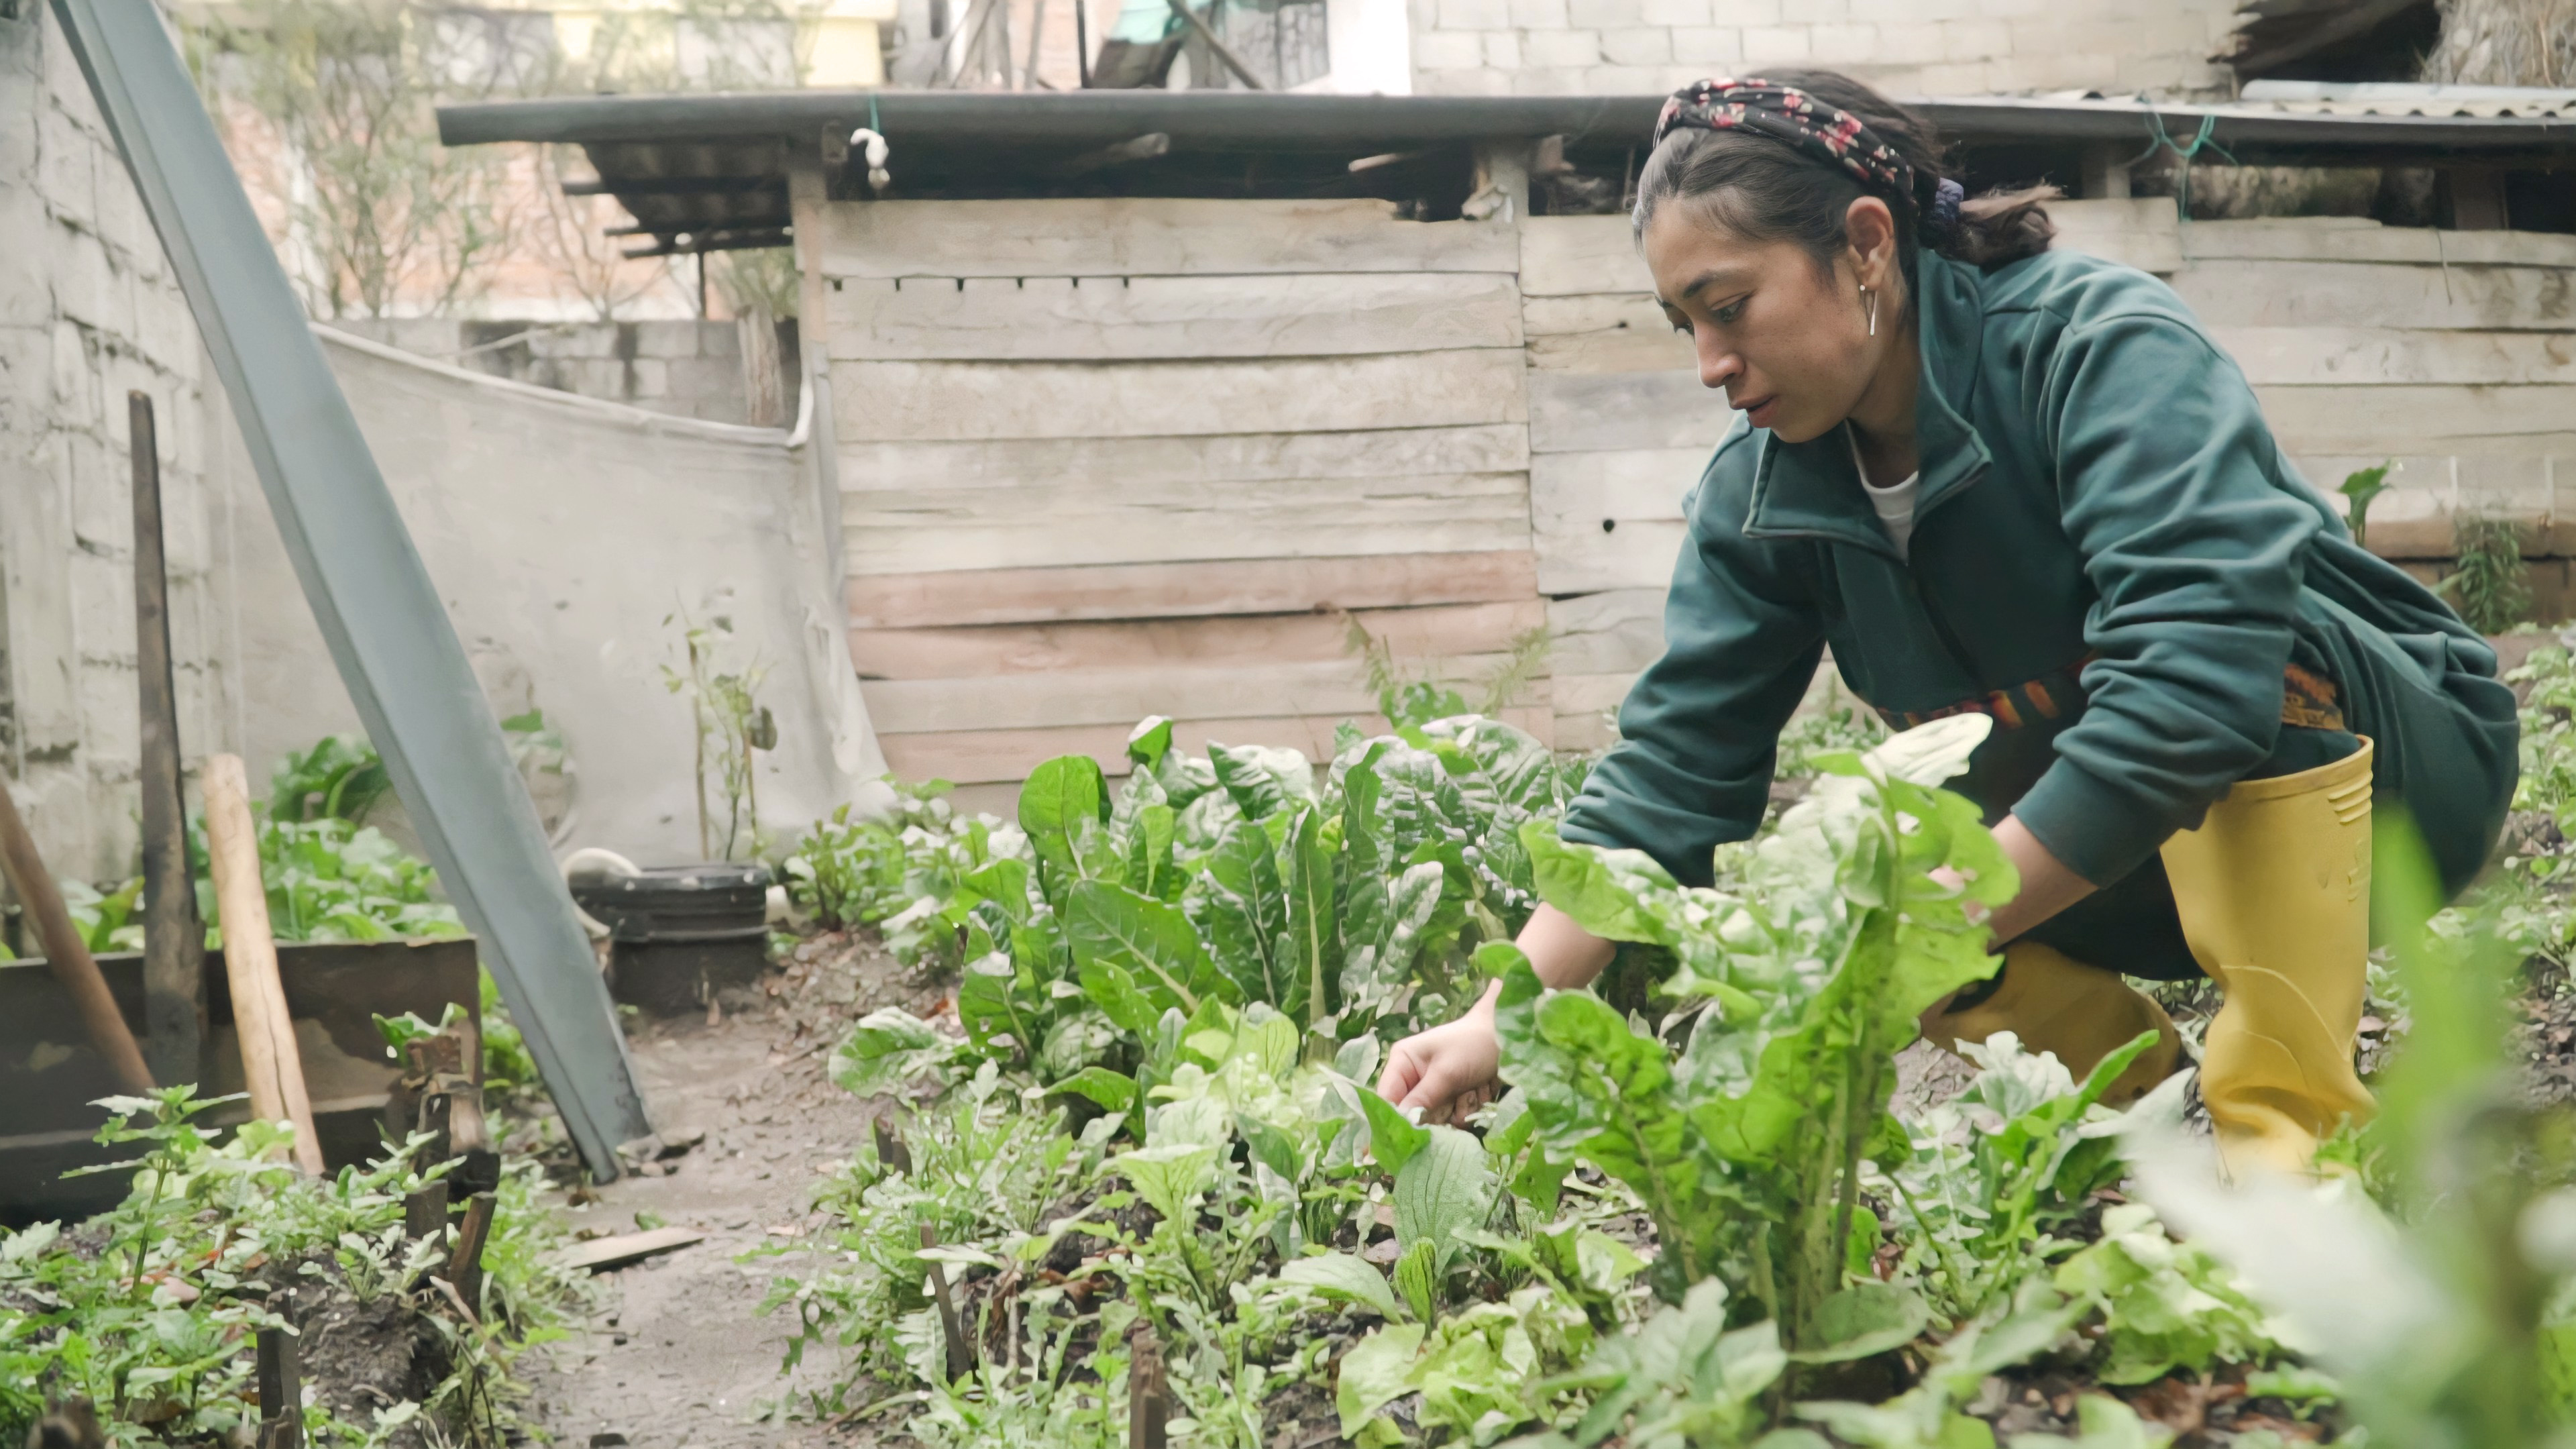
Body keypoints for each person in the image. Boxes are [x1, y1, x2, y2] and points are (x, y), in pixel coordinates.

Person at [1377, 72, 2519, 1177]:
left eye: (1729, 308)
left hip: (2395, 793)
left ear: (1867, 243)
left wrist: (1928, 928)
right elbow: (1674, 770)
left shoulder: (2095, 346)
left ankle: (2290, 1142)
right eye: (1684, 324)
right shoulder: (1764, 492)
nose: (1710, 364)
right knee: (1870, 870)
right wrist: (1500, 1015)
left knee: (2232, 678)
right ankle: (2152, 1120)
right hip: (2116, 862)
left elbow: (2195, 681)